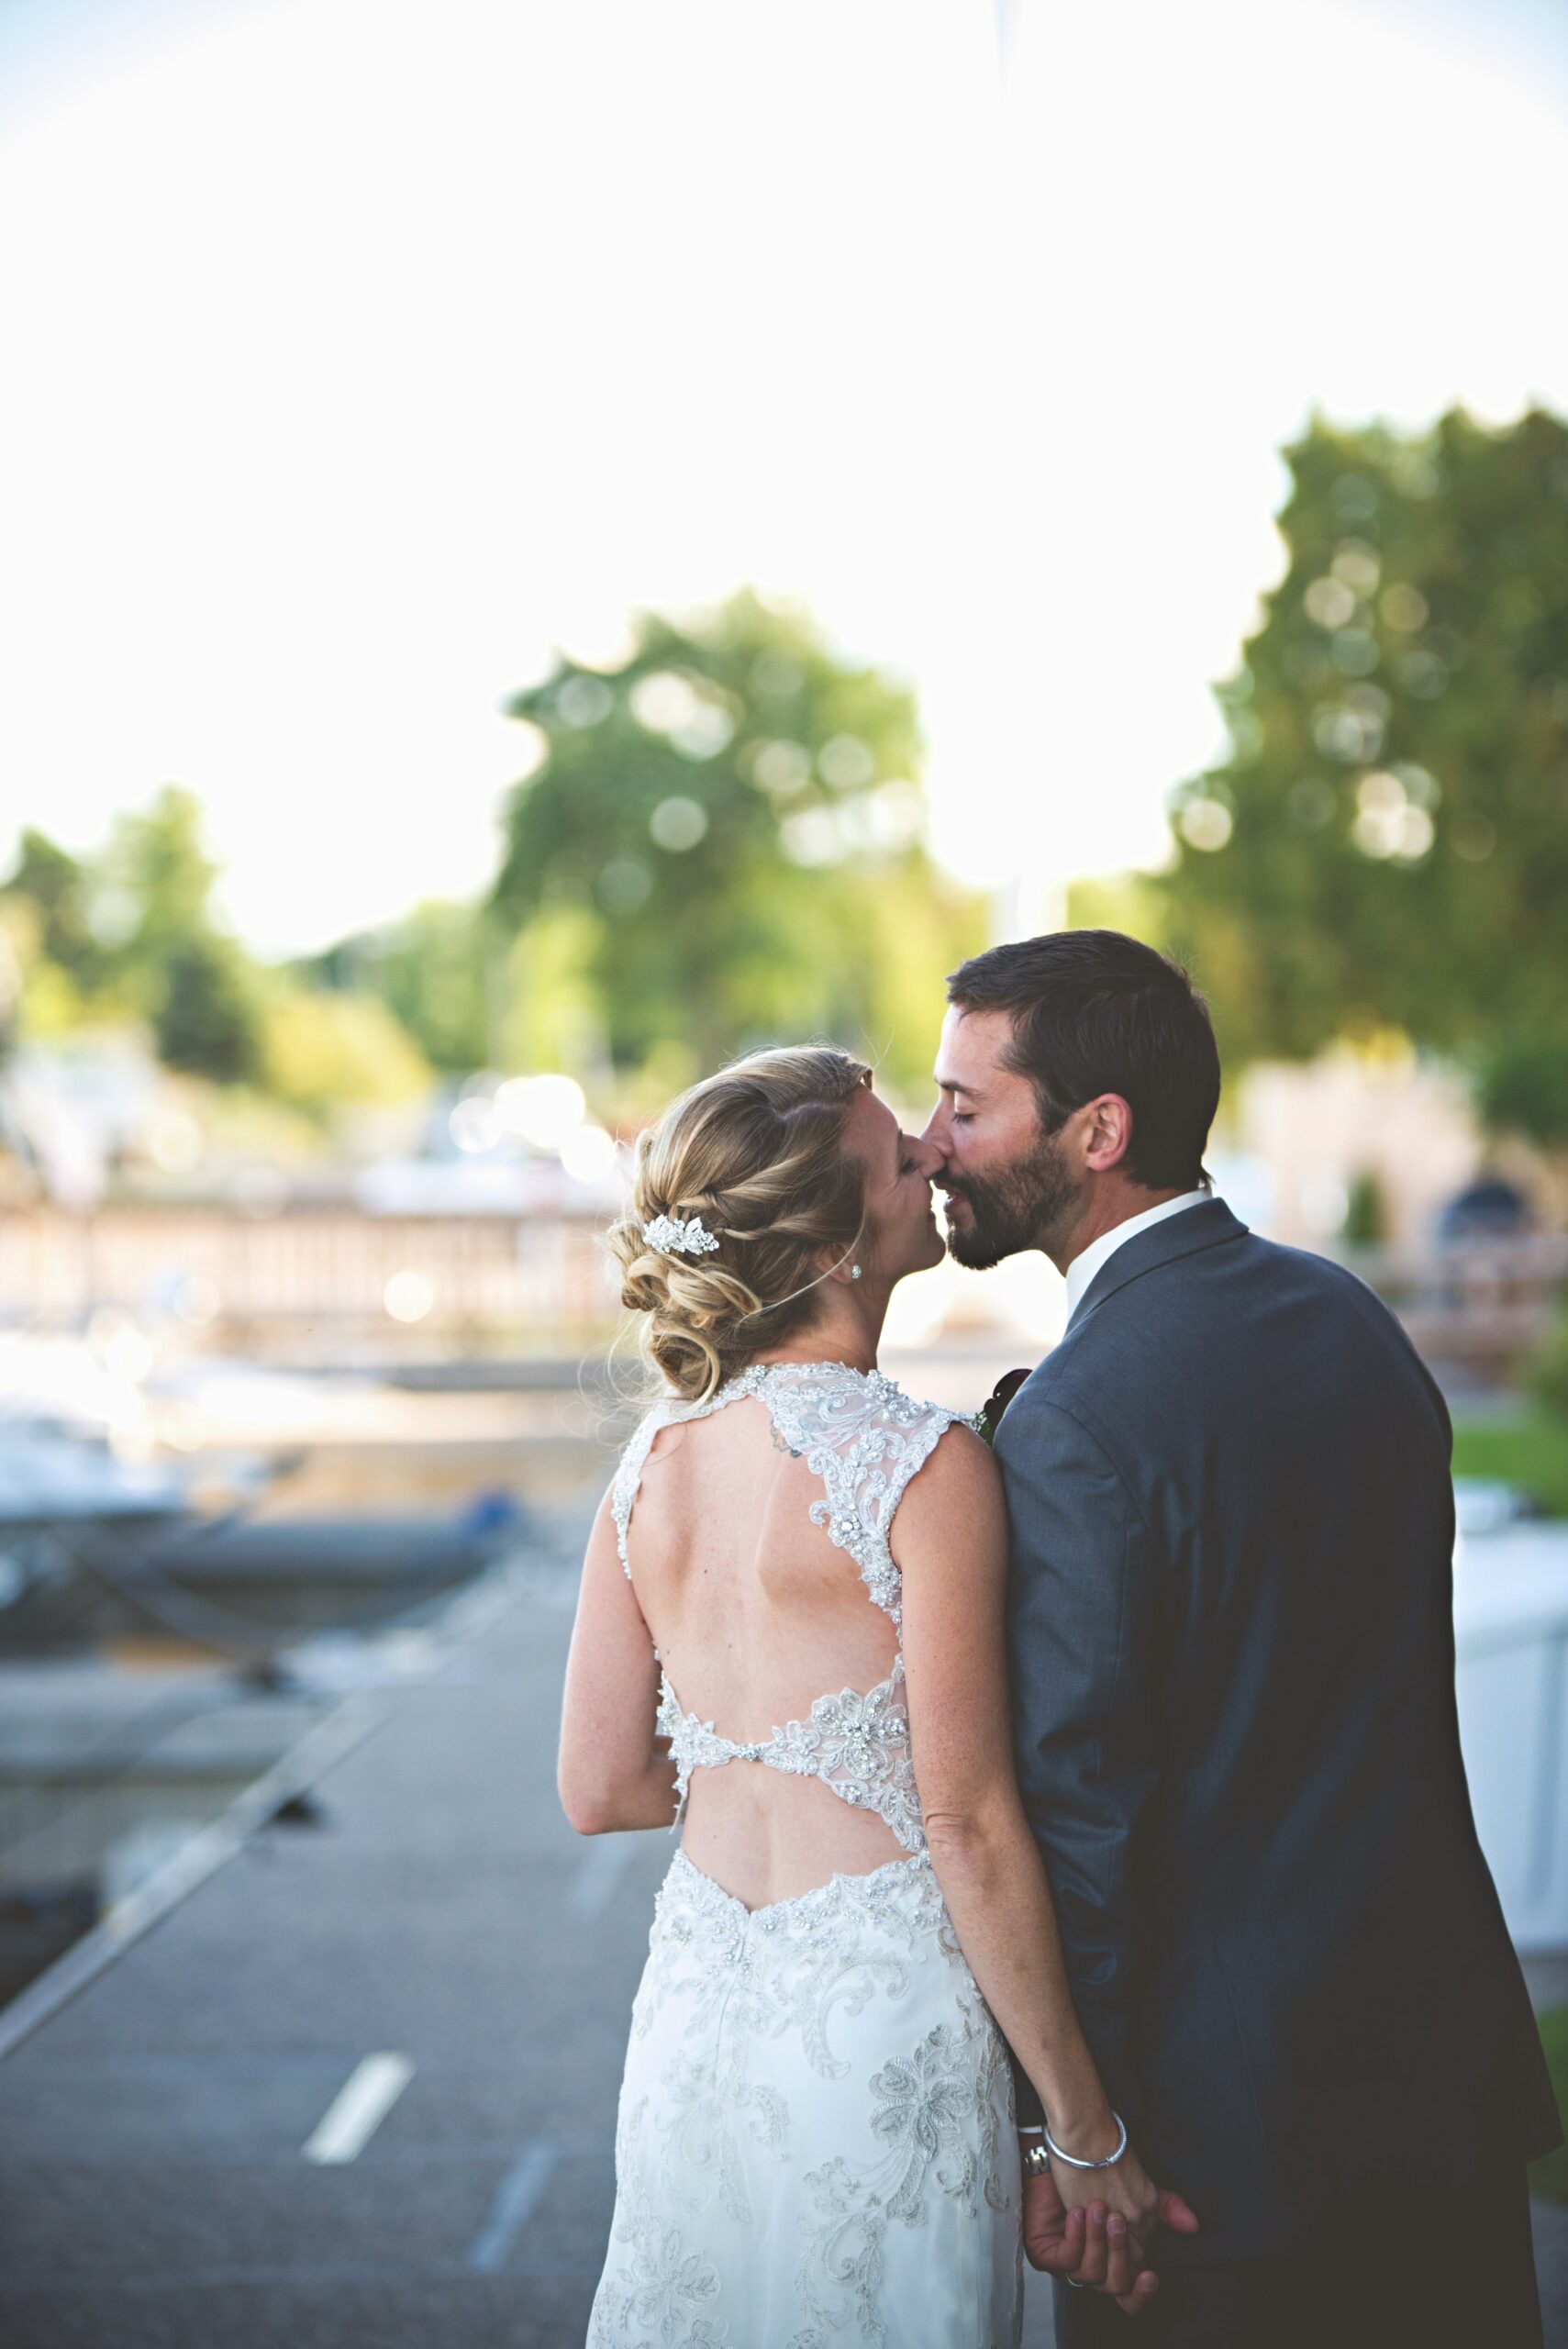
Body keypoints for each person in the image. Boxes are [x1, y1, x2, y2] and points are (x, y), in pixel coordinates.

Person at [924, 928, 1562, 2348]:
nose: (931, 1145)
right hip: (1436, 2079)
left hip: (1218, 2154)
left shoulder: (1076, 1422)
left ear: (1097, 1130)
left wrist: (1071, 2138)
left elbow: (1077, 1816)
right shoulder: (1348, 1319)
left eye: (965, 1106)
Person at [561, 1045, 1196, 2348]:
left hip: (700, 2009)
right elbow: (965, 1825)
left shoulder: (647, 1467)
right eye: (899, 1157)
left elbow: (601, 1790)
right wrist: (1083, 2131)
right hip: (879, 2023)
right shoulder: (923, 1465)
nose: (932, 1158)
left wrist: (762, 1753)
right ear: (831, 1241)